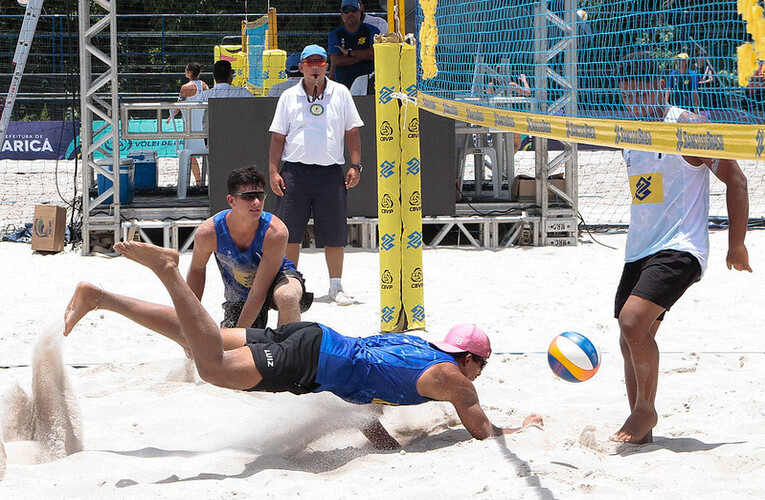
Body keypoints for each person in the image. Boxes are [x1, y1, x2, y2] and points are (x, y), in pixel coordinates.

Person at [63, 241, 543, 448]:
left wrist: (387, 445)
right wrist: (518, 430)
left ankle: (100, 296)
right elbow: (481, 430)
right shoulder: (455, 380)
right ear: (470, 359)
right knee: (212, 366)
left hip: (315, 337)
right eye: (481, 364)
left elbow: (365, 397)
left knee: (198, 341)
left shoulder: (419, 348)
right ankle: (169, 269)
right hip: (310, 358)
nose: (477, 374)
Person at [613, 51, 752, 444]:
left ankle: (645, 410)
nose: (636, 103)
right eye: (629, 96)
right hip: (638, 248)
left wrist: (736, 244)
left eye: (643, 95)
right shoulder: (626, 130)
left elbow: (737, 180)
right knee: (630, 338)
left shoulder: (688, 127)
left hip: (681, 246)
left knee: (632, 323)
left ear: (663, 86)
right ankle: (641, 431)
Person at [269, 45, 363, 306]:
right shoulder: (288, 96)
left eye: (319, 62)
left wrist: (356, 166)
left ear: (326, 66)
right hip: (295, 172)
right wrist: (274, 171)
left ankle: (336, 286)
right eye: (309, 63)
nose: (314, 67)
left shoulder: (340, 93)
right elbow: (278, 137)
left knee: (334, 232)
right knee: (290, 232)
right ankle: (289, 284)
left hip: (329, 172)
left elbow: (352, 132)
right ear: (301, 67)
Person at [186, 167, 311, 329]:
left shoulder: (275, 232)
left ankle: (289, 348)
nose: (256, 202)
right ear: (231, 200)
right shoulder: (209, 232)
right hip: (241, 295)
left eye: (260, 195)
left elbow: (259, 291)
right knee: (229, 348)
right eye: (248, 197)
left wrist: (238, 333)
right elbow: (196, 271)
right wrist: (190, 324)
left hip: (276, 279)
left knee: (287, 297)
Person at [168, 62, 209, 186]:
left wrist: (171, 115)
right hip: (202, 125)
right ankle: (205, 182)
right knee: (206, 155)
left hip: (190, 125)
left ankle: (198, 181)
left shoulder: (186, 87)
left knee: (189, 154)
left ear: (190, 72)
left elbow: (178, 105)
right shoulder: (204, 85)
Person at [328, 0, 381, 89]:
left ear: (360, 11)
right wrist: (364, 56)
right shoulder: (335, 34)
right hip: (343, 85)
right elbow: (336, 61)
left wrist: (349, 53)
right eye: (346, 10)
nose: (350, 13)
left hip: (368, 84)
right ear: (341, 14)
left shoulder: (372, 30)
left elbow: (375, 53)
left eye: (353, 9)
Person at [197, 60, 254, 135]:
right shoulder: (242, 93)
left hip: (211, 138)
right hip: (238, 136)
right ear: (230, 75)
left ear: (214, 76)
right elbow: (256, 108)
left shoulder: (204, 96)